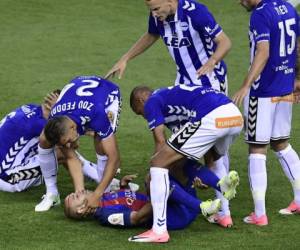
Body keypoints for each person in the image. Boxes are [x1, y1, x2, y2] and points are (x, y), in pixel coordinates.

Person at [106, 0, 235, 226]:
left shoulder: (196, 12)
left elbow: (224, 42)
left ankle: (224, 210)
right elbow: (150, 35)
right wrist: (125, 58)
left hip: (209, 84)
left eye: (156, 8)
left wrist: (212, 61)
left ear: (170, 1)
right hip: (184, 84)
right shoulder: (159, 15)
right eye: (150, 10)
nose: (154, 14)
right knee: (181, 149)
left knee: (213, 151)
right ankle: (196, 192)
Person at [128, 84, 242, 242]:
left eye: (140, 112)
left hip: (212, 116)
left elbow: (160, 142)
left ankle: (159, 230)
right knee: (203, 161)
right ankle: (223, 199)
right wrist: (204, 170)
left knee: (157, 163)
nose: (145, 116)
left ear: (141, 100)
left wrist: (153, 174)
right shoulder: (173, 101)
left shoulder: (152, 101)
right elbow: (197, 148)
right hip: (234, 116)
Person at [233, 0, 300, 226]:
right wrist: (297, 77)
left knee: (257, 148)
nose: (239, 1)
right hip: (285, 86)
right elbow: (298, 44)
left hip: (262, 91)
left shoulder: (260, 14)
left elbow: (263, 52)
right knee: (281, 143)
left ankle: (259, 214)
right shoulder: (288, 7)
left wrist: (245, 85)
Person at [64, 160, 239, 232]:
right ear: (81, 210)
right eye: (74, 197)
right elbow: (138, 218)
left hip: (176, 203)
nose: (77, 191)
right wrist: (157, 193)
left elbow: (129, 201)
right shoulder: (105, 214)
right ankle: (202, 207)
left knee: (179, 160)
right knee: (155, 176)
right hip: (173, 217)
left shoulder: (101, 197)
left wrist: (123, 186)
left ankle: (220, 185)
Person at [36, 76, 122, 213]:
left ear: (72, 128)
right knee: (43, 139)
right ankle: (52, 193)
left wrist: (97, 194)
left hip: (107, 94)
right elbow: (71, 158)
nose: (70, 146)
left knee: (101, 143)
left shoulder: (97, 115)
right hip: (78, 93)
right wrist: (79, 191)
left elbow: (114, 158)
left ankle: (105, 192)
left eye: (68, 141)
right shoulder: (57, 119)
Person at [0, 90, 103, 195]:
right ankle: (100, 178)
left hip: (8, 166)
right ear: (53, 107)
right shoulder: (41, 125)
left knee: (57, 149)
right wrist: (89, 128)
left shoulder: (32, 110)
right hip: (7, 177)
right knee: (62, 151)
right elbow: (73, 143)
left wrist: (87, 128)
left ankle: (95, 173)